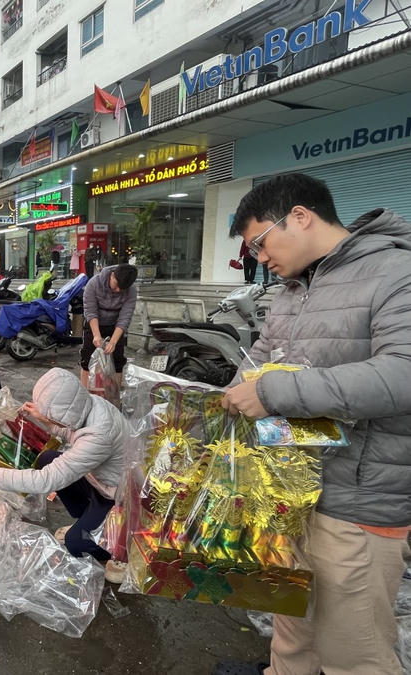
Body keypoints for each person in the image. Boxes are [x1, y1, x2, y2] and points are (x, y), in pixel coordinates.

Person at [216, 173, 411, 675]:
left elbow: (403, 373)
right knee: (292, 627)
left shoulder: (396, 272)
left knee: (353, 650)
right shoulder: (292, 288)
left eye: (260, 243)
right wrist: (220, 407)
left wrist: (273, 393)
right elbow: (262, 358)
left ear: (300, 216)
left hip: (355, 501)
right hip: (291, 492)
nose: (259, 258)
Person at [0, 367, 130, 582]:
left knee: (75, 543)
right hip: (100, 480)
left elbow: (46, 480)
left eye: (51, 415)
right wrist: (43, 418)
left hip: (118, 497)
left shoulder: (98, 435)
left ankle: (118, 546)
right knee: (47, 458)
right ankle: (86, 518)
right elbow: (71, 428)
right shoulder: (89, 404)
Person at [80, 264, 138, 389]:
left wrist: (113, 341)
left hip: (115, 326)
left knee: (117, 362)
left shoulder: (131, 291)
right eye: (116, 285)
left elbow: (125, 318)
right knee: (87, 360)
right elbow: (91, 311)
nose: (118, 290)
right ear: (112, 276)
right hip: (94, 324)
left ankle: (114, 395)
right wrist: (96, 335)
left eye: (122, 288)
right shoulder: (93, 284)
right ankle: (84, 393)